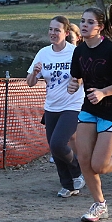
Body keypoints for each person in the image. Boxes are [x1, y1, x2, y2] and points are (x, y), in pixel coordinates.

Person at [67, 5, 112, 222]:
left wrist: (104, 92)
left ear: (100, 27)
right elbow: (77, 77)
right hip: (90, 107)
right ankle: (100, 205)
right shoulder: (79, 50)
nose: (85, 25)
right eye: (82, 21)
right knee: (85, 159)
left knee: (99, 165)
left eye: (90, 22)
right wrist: (73, 84)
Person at [26, 16, 85, 198]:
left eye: (57, 30)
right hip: (51, 106)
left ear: (66, 33)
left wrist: (78, 81)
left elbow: (86, 77)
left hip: (73, 104)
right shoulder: (43, 53)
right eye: (51, 29)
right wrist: (35, 73)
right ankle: (68, 185)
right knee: (54, 147)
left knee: (58, 143)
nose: (52, 33)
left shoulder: (75, 52)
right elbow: (30, 83)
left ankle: (77, 171)